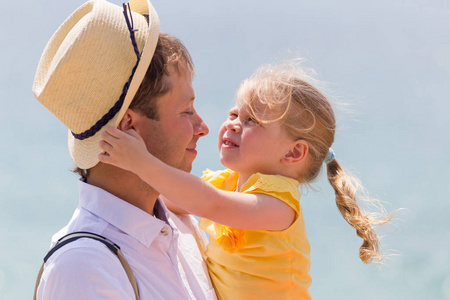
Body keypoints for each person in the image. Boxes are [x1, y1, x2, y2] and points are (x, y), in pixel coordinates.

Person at [98, 62, 394, 299]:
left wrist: (141, 162)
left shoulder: (280, 205)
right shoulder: (225, 183)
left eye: (252, 121)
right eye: (234, 113)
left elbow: (207, 203)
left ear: (293, 152)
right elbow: (170, 198)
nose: (233, 124)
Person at [33, 0, 216, 299]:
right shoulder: (83, 268)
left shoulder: (182, 227)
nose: (203, 127)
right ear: (129, 125)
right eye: (187, 111)